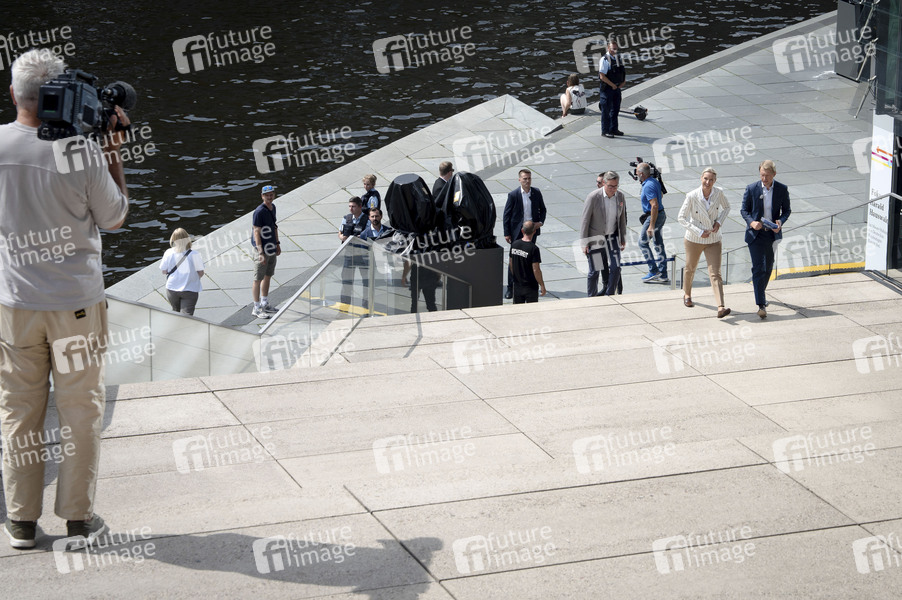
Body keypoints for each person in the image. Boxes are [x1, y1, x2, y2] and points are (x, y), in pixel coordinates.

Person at [0, 49, 129, 549]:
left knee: (18, 410)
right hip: (76, 304)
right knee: (80, 409)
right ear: (62, 95)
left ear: (15, 93)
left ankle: (20, 521)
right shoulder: (80, 152)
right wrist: (113, 149)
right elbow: (115, 218)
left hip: (15, 305)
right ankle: (78, 519)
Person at [677, 168, 731, 318]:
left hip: (713, 239)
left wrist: (719, 222)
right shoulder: (692, 196)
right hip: (694, 239)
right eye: (706, 179)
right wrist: (699, 231)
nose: (708, 182)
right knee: (690, 268)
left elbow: (727, 207)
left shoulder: (719, 193)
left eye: (711, 180)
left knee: (715, 273)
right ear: (701, 178)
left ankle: (721, 306)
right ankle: (687, 294)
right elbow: (681, 217)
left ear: (715, 181)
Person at [741, 160, 791, 319]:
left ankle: (760, 292)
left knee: (768, 267)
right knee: (758, 268)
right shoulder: (751, 188)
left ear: (774, 174)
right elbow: (744, 210)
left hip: (771, 234)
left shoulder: (782, 189)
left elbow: (787, 211)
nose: (764, 179)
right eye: (762, 175)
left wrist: (780, 222)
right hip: (755, 234)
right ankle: (761, 304)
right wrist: (751, 222)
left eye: (767, 176)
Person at [580, 171, 627, 297]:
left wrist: (623, 237)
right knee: (595, 270)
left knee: (616, 267)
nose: (613, 189)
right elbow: (585, 220)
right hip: (596, 239)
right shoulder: (593, 197)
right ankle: (592, 297)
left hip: (613, 237)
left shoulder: (620, 196)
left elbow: (622, 218)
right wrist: (584, 242)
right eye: (610, 186)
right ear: (604, 183)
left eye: (616, 186)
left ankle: (610, 294)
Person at [502, 169, 546, 299]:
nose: (527, 181)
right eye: (525, 178)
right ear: (519, 180)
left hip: (531, 230)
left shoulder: (536, 192)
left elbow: (543, 209)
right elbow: (506, 215)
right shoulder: (513, 195)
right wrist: (507, 233)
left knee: (531, 257)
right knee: (514, 258)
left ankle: (529, 284)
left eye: (529, 178)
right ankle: (511, 287)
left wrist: (540, 223)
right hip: (517, 231)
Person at [251, 184, 280, 319]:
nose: (269, 197)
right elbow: (256, 232)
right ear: (262, 196)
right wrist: (260, 252)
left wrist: (277, 244)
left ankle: (264, 303)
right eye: (267, 195)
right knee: (258, 278)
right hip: (262, 249)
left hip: (271, 247)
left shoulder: (273, 207)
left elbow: (274, 227)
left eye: (271, 194)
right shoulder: (259, 212)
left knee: (268, 275)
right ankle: (256, 308)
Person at [636, 162, 669, 284]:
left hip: (654, 216)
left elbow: (654, 205)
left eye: (637, 172)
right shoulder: (653, 181)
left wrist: (651, 225)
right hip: (661, 215)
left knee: (642, 243)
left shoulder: (648, 186)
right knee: (658, 243)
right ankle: (663, 274)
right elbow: (660, 195)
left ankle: (653, 271)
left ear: (641, 174)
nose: (636, 174)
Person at [160, 228, 205, 315]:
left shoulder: (168, 252)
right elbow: (201, 273)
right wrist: (192, 278)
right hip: (190, 289)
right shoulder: (194, 254)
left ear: (173, 239)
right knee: (187, 315)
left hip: (171, 288)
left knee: (175, 313)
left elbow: (164, 271)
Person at [339, 196, 370, 309]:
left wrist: (360, 238)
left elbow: (369, 236)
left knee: (366, 282)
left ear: (360, 206)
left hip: (363, 254)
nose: (351, 209)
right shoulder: (346, 218)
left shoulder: (367, 219)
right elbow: (339, 232)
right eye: (349, 206)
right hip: (349, 254)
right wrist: (343, 237)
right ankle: (344, 307)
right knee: (346, 281)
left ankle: (366, 307)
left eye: (353, 206)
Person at [509, 221, 546, 303]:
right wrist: (542, 285)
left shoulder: (514, 245)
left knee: (518, 309)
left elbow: (511, 263)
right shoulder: (534, 249)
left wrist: (515, 276)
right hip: (530, 287)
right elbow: (536, 269)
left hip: (517, 285)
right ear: (534, 231)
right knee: (531, 309)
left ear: (522, 230)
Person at [599, 41, 625, 138]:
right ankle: (605, 131)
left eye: (616, 49)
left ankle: (614, 129)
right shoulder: (604, 60)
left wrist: (623, 82)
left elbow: (622, 71)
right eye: (613, 49)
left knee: (615, 109)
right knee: (606, 110)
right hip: (607, 89)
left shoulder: (617, 58)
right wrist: (612, 85)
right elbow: (602, 76)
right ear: (608, 48)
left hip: (616, 88)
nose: (615, 51)